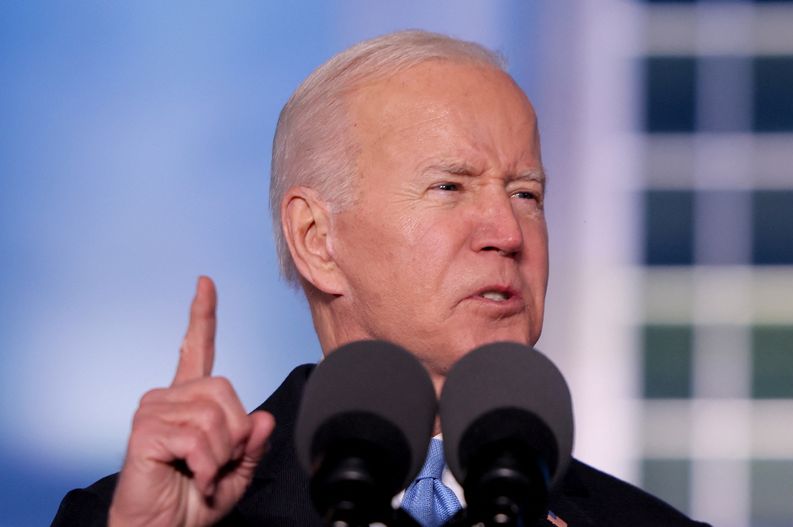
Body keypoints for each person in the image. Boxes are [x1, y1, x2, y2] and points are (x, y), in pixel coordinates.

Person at [52, 30, 709, 527]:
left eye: (527, 194)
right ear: (317, 239)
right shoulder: (136, 515)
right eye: (450, 186)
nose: (508, 234)